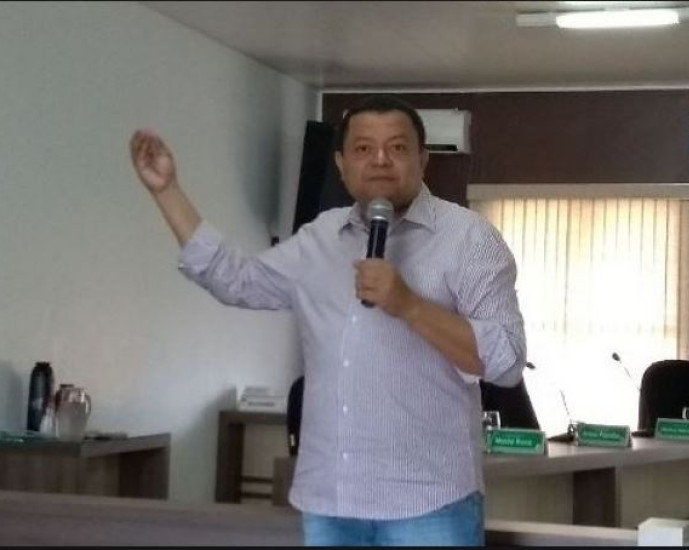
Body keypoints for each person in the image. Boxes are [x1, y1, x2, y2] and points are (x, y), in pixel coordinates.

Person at [129, 94, 526, 546]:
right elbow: (234, 279)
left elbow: (507, 360)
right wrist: (167, 191)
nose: (380, 160)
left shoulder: (468, 239)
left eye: (397, 147)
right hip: (330, 503)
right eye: (363, 148)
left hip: (429, 505)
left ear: (423, 160)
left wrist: (410, 305)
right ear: (341, 164)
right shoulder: (319, 237)